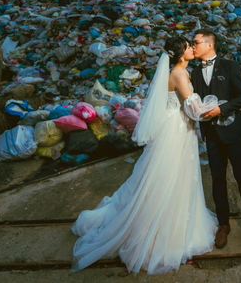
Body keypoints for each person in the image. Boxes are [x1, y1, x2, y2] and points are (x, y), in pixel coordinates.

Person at [71, 36, 218, 275]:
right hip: (176, 130)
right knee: (170, 177)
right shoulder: (180, 74)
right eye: (189, 47)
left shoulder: (180, 71)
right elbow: (193, 108)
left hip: (178, 127)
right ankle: (159, 230)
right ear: (181, 54)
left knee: (172, 176)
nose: (193, 48)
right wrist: (216, 107)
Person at [191, 28, 241, 249]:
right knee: (217, 178)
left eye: (196, 43)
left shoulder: (230, 66)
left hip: (235, 133)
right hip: (211, 134)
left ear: (209, 45)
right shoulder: (194, 72)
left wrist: (222, 110)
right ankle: (223, 224)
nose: (193, 46)